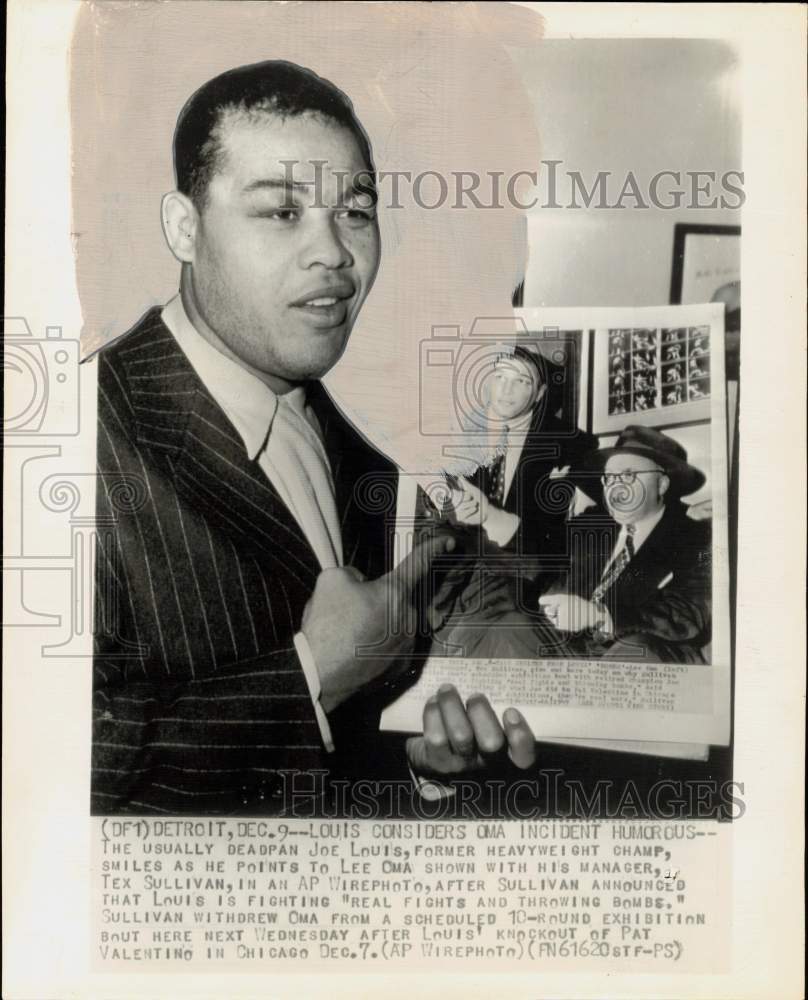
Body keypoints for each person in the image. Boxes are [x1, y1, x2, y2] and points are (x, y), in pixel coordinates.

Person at [91, 60, 533, 815]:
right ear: (184, 228)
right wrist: (310, 678)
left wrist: (421, 769)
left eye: (355, 212)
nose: (334, 251)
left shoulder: (363, 461)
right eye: (281, 212)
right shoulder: (75, 431)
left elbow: (332, 765)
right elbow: (44, 776)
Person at [452, 345, 596, 573]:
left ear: (540, 393)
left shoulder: (572, 444)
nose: (506, 390)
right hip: (462, 568)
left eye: (521, 381)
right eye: (500, 377)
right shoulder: (463, 435)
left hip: (524, 572)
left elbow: (562, 536)